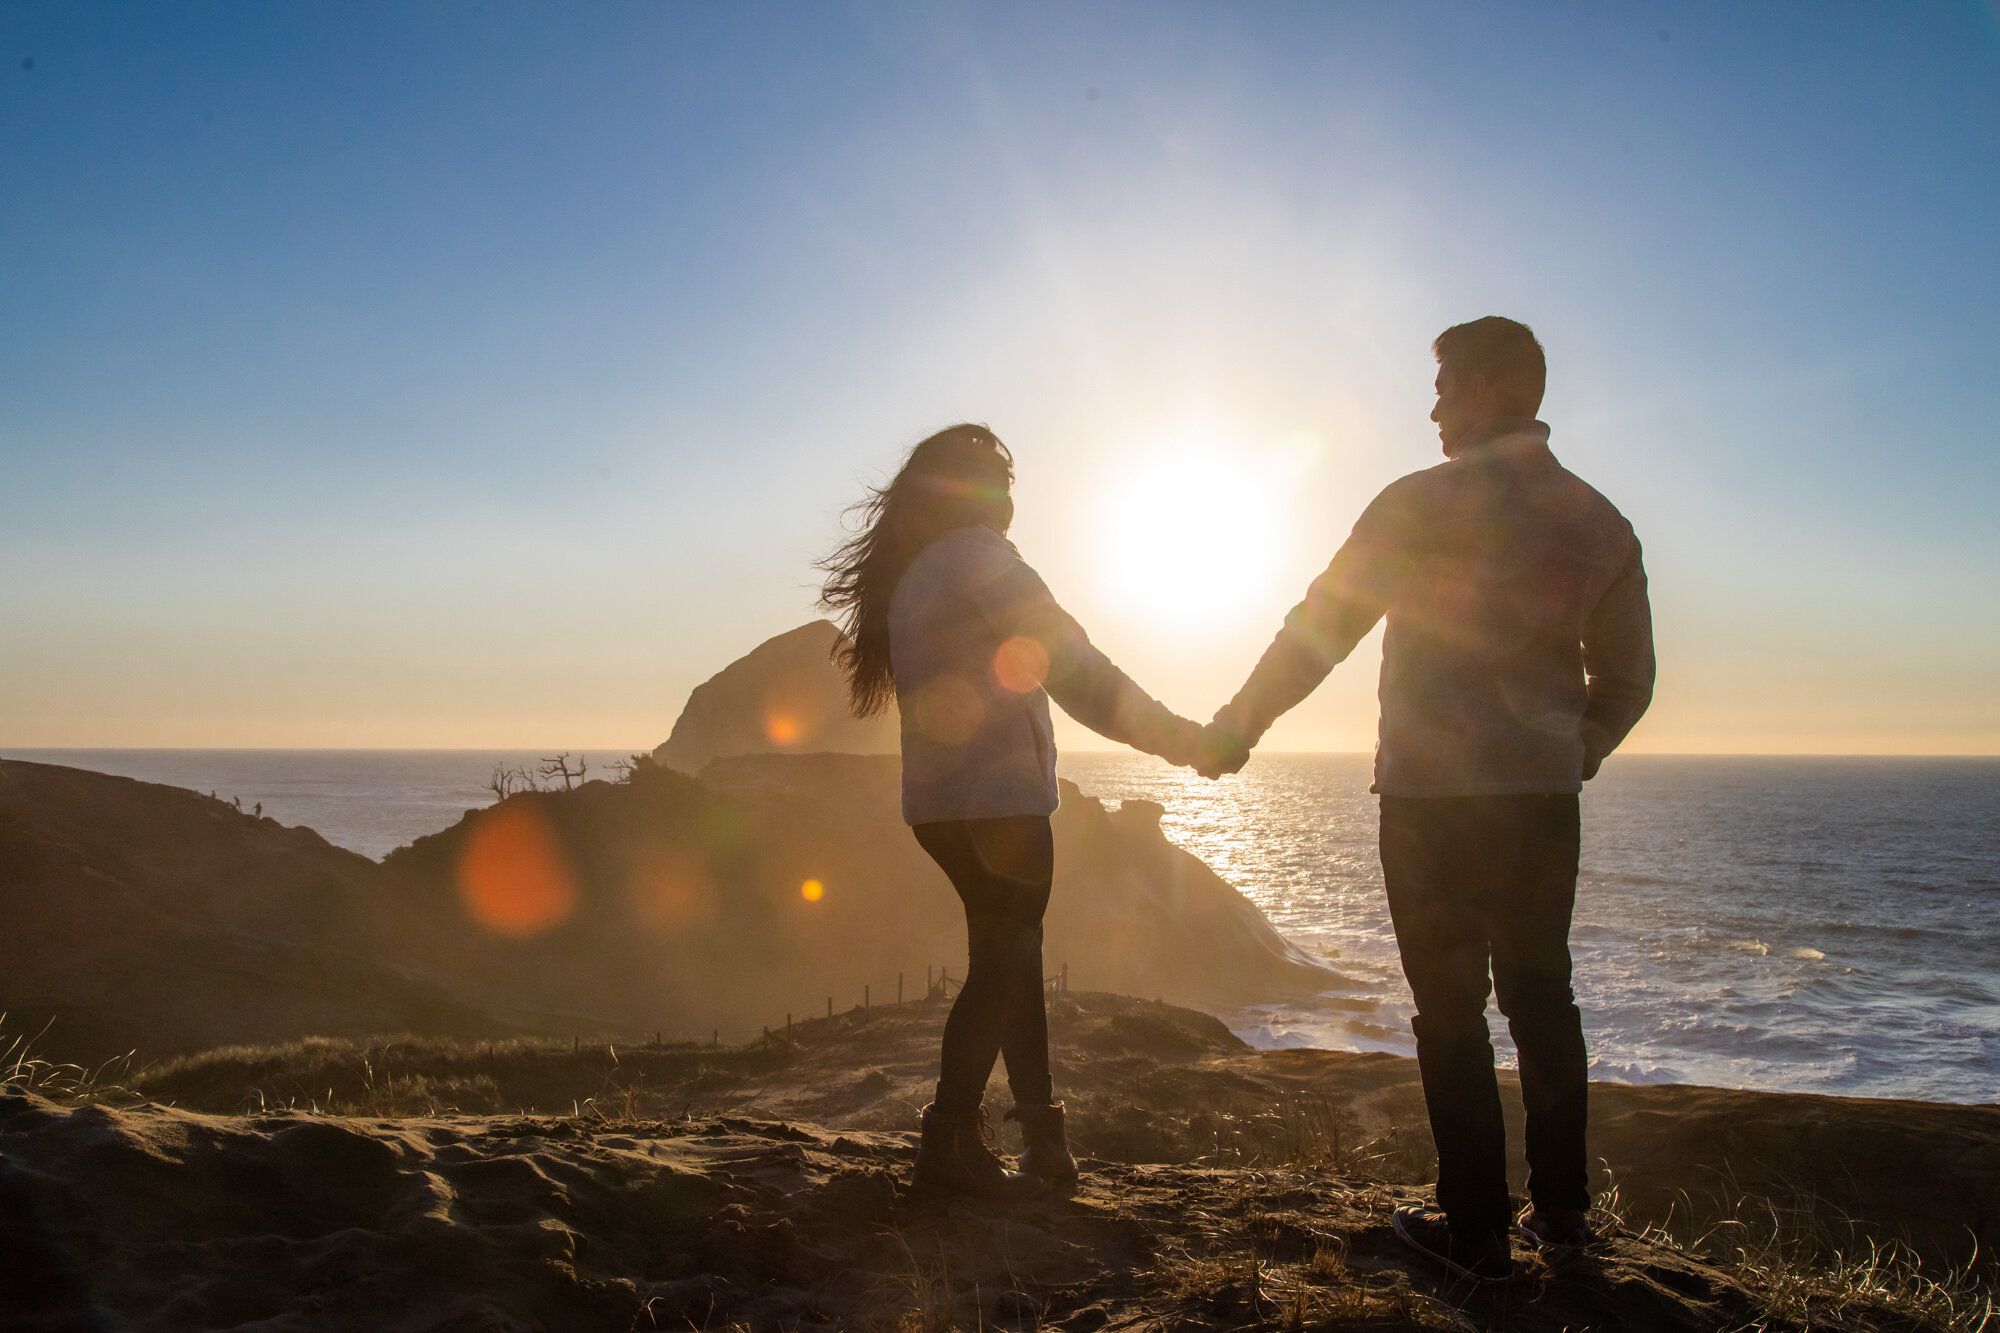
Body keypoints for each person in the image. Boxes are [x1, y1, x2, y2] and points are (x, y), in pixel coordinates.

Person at [1198, 317, 1655, 1283]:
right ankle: (1564, 1215)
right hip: (1538, 802)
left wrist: (1240, 723)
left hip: (1431, 802)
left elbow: (1319, 629)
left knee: (1451, 1011)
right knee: (1543, 997)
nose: (1435, 406)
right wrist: (1577, 751)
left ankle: (1477, 1232)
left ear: (1493, 389)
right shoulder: (1601, 520)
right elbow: (1628, 679)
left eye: (1446, 385)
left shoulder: (1415, 504)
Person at [819, 423, 1204, 1200]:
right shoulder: (982, 560)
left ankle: (1043, 1140)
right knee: (1004, 963)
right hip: (1002, 802)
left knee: (1013, 957)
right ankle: (951, 1139)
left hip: (938, 805)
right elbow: (1074, 664)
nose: (1011, 495)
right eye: (999, 479)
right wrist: (1178, 736)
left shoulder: (919, 571)